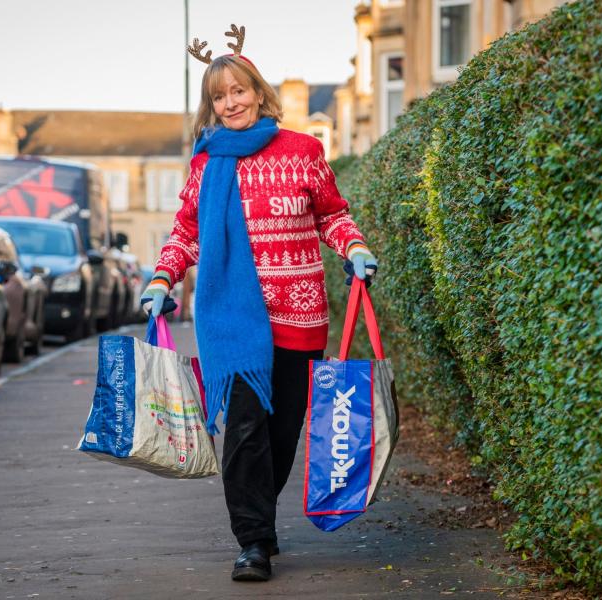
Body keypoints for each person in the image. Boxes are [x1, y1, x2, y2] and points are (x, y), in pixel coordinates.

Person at [141, 27, 377, 583]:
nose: (231, 102)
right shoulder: (206, 164)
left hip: (298, 314)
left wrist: (356, 247)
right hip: (232, 321)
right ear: (212, 104)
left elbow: (331, 216)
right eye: (220, 96)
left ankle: (259, 518)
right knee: (245, 430)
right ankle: (253, 541)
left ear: (258, 92)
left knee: (281, 432)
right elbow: (186, 233)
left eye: (239, 91)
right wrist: (161, 278)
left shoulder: (303, 152)